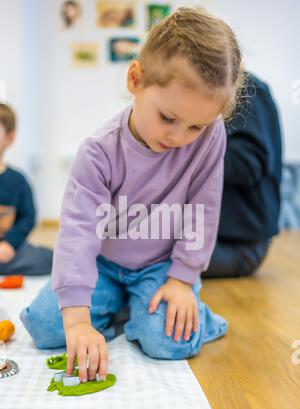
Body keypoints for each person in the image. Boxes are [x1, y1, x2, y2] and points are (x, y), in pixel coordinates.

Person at [21, 7, 244, 383]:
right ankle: (124, 309)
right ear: (136, 79)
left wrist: (182, 281)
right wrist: (77, 322)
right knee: (46, 327)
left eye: (196, 126)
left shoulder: (210, 137)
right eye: (168, 118)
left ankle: (196, 316)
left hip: (161, 267)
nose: (179, 137)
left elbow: (203, 209)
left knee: (167, 342)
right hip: (104, 267)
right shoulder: (98, 151)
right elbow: (77, 233)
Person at [203, 72, 282, 278]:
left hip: (240, 245)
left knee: (144, 262)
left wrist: (187, 149)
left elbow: (248, 165)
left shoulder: (247, 89)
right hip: (210, 236)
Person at [0, 103, 53, 276]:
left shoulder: (17, 180)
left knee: (49, 259)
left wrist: (9, 244)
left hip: (9, 251)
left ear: (9, 138)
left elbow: (28, 217)